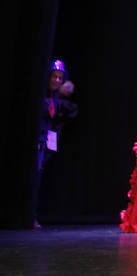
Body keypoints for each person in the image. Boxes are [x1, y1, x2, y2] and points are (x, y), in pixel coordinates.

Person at [35, 58, 79, 228]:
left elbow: (69, 112)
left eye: (61, 78)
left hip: (49, 142)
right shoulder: (42, 98)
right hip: (39, 140)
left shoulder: (57, 99)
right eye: (54, 77)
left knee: (41, 175)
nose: (57, 80)